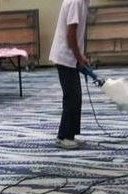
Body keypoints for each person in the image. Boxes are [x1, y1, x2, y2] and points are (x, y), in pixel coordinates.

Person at [49, 0, 90, 150]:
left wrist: (80, 57)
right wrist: (79, 57)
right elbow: (70, 34)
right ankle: (64, 137)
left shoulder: (83, 2)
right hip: (65, 57)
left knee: (75, 97)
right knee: (72, 98)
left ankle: (69, 135)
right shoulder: (75, 2)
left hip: (70, 58)